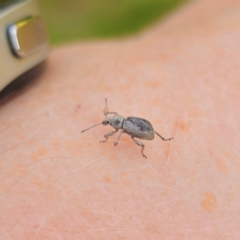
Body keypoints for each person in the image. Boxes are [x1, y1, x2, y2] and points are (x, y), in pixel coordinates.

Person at [1, 0, 240, 238]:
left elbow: (130, 131)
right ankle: (162, 137)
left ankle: (153, 143)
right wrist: (110, 124)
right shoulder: (121, 122)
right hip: (141, 125)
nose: (109, 124)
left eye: (109, 123)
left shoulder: (123, 128)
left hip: (143, 129)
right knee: (139, 134)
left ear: (116, 124)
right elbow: (124, 122)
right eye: (110, 122)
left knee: (140, 142)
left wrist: (112, 141)